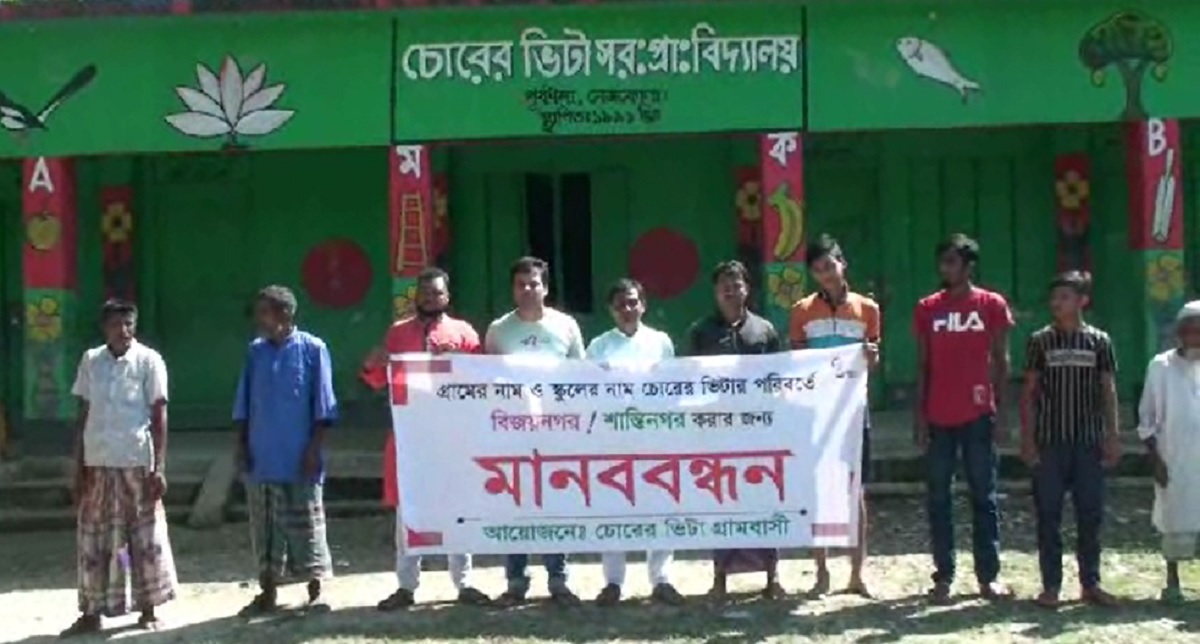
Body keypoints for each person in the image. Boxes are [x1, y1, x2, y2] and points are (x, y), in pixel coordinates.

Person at [362, 267, 492, 610]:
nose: (431, 299)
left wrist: (459, 362)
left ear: (447, 296)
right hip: (411, 440)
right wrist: (374, 364)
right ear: (415, 296)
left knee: (457, 508)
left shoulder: (464, 333)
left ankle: (464, 583)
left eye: (437, 293)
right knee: (408, 512)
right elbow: (377, 380)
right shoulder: (397, 334)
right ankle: (406, 586)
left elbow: (481, 382)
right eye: (425, 293)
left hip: (453, 438)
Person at [61, 300, 177, 638]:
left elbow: (159, 415)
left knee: (142, 537)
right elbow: (83, 413)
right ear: (105, 328)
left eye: (129, 324)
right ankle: (91, 611)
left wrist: (159, 467)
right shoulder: (91, 361)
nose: (123, 331)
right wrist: (78, 465)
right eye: (116, 324)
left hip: (135, 462)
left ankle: (148, 607)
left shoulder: (149, 361)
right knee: (94, 539)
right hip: (97, 463)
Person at [913, 234, 1014, 605]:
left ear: (969, 266)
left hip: (978, 414)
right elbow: (923, 365)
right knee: (938, 497)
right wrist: (919, 417)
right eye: (942, 262)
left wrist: (1002, 413)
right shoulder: (927, 308)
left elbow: (1002, 360)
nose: (945, 268)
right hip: (938, 416)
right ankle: (944, 575)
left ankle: (989, 576)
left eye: (952, 262)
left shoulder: (991, 305)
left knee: (983, 496)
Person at [485, 256, 586, 607]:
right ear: (513, 289)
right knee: (515, 502)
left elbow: (580, 377)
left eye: (534, 283)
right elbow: (487, 381)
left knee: (555, 501)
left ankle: (558, 579)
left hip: (556, 432)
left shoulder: (566, 326)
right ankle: (516, 581)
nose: (528, 289)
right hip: (512, 433)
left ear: (545, 287)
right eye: (521, 284)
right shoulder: (498, 330)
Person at [234, 285, 338, 615]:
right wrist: (242, 446)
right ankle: (268, 592)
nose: (260, 320)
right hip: (262, 454)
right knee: (264, 527)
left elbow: (323, 405)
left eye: (265, 312)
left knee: (307, 523)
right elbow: (243, 403)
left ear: (285, 314)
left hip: (300, 453)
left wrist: (313, 449)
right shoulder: (255, 352)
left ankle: (316, 590)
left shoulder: (313, 349)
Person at [1019, 271, 1120, 609]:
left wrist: (1113, 436)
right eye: (1054, 297)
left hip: (1088, 441)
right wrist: (1028, 438)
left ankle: (1090, 583)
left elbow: (1108, 390)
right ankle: (1051, 585)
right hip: (1050, 441)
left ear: (1082, 301)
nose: (1056, 303)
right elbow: (1029, 392)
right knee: (1048, 515)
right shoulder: (1040, 341)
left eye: (1064, 297)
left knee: (1090, 514)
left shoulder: (1099, 342)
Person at [687, 260, 786, 600]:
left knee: (765, 500)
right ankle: (720, 576)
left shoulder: (765, 330)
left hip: (758, 432)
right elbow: (688, 381)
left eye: (736, 285)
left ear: (747, 289)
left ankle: (772, 575)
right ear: (715, 292)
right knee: (722, 503)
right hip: (718, 433)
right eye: (724, 286)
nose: (730, 291)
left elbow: (778, 380)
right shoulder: (701, 332)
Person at [788, 235, 879, 598]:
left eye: (829, 265)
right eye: (817, 269)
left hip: (854, 410)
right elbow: (797, 363)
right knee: (819, 490)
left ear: (843, 264)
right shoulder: (801, 311)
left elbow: (873, 357)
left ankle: (857, 574)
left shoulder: (868, 309)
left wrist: (872, 357)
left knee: (856, 491)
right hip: (816, 413)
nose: (825, 274)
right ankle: (822, 573)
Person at [587, 278, 685, 607]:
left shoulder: (660, 342)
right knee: (613, 509)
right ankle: (613, 582)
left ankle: (662, 579)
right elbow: (587, 391)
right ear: (610, 309)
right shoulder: (598, 347)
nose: (627, 309)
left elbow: (671, 389)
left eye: (632, 302)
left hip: (655, 437)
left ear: (643, 305)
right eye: (620, 304)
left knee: (660, 505)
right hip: (613, 439)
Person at [1137, 300, 1200, 604]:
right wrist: (1156, 460)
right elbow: (1146, 418)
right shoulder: (1160, 366)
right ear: (1179, 331)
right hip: (1173, 456)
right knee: (1173, 517)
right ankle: (1172, 581)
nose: (1194, 335)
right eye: (1189, 328)